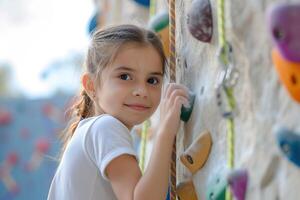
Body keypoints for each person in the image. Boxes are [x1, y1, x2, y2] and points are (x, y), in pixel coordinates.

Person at [47, 24, 190, 200]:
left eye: (152, 80)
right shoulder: (105, 127)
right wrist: (166, 131)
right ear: (92, 86)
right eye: (125, 77)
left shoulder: (90, 132)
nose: (142, 91)